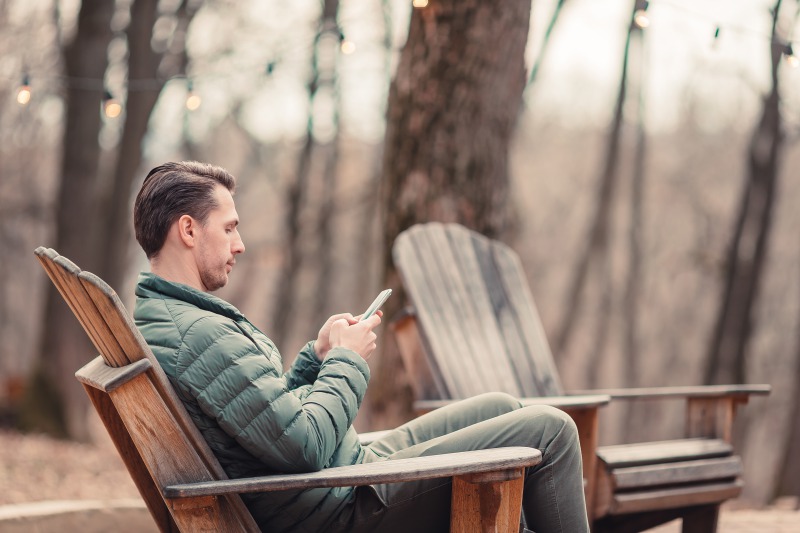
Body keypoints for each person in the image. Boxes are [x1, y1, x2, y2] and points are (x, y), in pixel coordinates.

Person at [132, 161, 590, 533]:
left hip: (335, 479)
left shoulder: (180, 320)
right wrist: (348, 360)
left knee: (501, 407)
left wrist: (317, 357)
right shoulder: (197, 334)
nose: (240, 245)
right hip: (340, 508)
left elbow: (264, 420)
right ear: (189, 231)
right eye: (229, 229)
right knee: (550, 430)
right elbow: (304, 447)